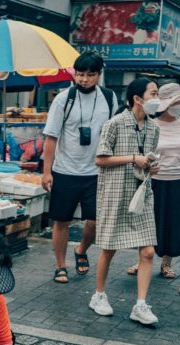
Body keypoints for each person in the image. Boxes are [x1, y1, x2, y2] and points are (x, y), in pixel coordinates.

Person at [41, 52, 119, 284]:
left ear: (99, 75)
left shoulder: (108, 98)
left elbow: (113, 133)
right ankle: (60, 266)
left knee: (95, 221)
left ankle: (81, 249)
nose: (84, 79)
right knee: (61, 220)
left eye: (90, 75)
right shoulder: (64, 99)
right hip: (65, 170)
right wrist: (46, 171)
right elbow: (51, 137)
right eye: (80, 74)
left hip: (96, 172)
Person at [90, 78, 161, 326]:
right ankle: (98, 295)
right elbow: (100, 159)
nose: (157, 98)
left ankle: (140, 305)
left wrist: (152, 166)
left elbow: (147, 159)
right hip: (115, 191)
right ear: (137, 99)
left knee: (149, 250)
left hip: (141, 192)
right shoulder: (115, 124)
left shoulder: (154, 128)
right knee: (109, 247)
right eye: (153, 93)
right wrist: (133, 158)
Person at [127, 83, 180, 279]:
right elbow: (140, 153)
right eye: (174, 103)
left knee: (174, 223)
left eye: (179, 102)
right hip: (154, 181)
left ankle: (166, 264)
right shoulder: (150, 125)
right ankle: (142, 260)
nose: (177, 106)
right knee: (149, 222)